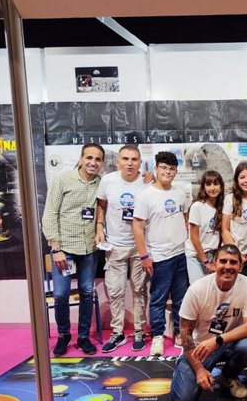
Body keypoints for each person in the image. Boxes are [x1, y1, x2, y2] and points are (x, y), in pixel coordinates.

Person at [171, 244, 247, 401]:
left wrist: (217, 340)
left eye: (233, 262)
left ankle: (229, 375)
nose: (228, 266)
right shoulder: (197, 289)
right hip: (199, 348)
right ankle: (184, 369)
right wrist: (198, 369)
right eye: (223, 261)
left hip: (227, 342)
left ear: (240, 267)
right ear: (214, 263)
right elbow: (185, 335)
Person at [42, 143, 105, 356]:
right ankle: (63, 335)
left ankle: (84, 337)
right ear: (80, 158)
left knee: (87, 292)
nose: (93, 162)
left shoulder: (101, 183)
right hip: (65, 248)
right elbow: (49, 215)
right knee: (60, 294)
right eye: (89, 157)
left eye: (97, 159)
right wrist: (56, 248)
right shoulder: (62, 180)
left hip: (89, 248)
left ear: (102, 163)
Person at [133, 151, 189, 356]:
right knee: (158, 298)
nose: (168, 171)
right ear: (156, 169)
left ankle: (180, 333)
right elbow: (137, 227)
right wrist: (144, 255)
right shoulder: (145, 195)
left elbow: (184, 218)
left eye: (172, 168)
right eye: (163, 167)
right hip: (159, 257)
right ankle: (157, 336)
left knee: (181, 298)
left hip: (181, 254)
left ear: (176, 172)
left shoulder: (180, 193)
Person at [95, 144, 150, 353]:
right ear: (118, 161)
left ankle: (138, 331)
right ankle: (117, 333)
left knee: (139, 290)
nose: (129, 163)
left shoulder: (147, 183)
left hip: (139, 246)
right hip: (115, 245)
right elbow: (101, 206)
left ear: (140, 162)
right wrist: (99, 226)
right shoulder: (108, 181)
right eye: (125, 159)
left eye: (134, 159)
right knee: (116, 292)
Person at [185, 170, 225, 284]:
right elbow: (194, 237)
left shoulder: (221, 207)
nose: (212, 188)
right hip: (196, 255)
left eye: (216, 184)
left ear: (221, 187)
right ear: (203, 187)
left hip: (213, 254)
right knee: (198, 288)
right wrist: (206, 262)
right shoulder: (197, 206)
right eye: (208, 184)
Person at [222, 162, 247, 277]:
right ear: (237, 180)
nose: (246, 181)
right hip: (234, 255)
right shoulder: (230, 199)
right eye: (242, 177)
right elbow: (225, 230)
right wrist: (237, 254)